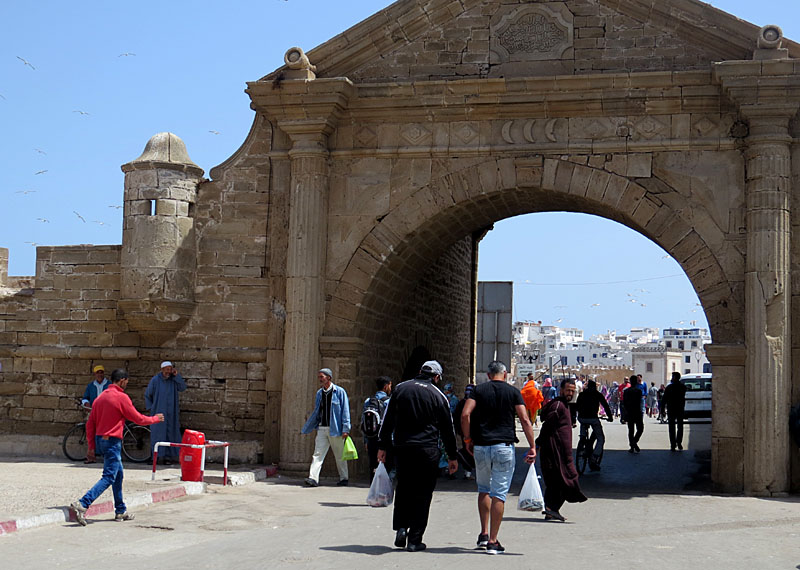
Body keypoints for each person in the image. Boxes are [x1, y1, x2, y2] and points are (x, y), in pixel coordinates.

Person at [377, 360, 458, 552]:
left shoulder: (401, 389)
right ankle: (415, 539)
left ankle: (401, 528)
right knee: (423, 493)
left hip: (403, 447)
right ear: (436, 377)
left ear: (420, 371)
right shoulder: (439, 396)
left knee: (403, 488)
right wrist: (453, 456)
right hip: (427, 450)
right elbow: (448, 429)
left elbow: (387, 420)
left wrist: (383, 446)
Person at [70, 369, 164, 526]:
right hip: (113, 441)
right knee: (109, 477)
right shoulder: (121, 397)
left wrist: (91, 447)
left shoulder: (99, 399)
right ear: (122, 381)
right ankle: (83, 503)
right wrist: (155, 419)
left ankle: (120, 510)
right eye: (126, 381)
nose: (127, 384)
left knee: (118, 475)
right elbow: (138, 418)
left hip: (101, 440)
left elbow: (90, 425)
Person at [461, 361, 536, 555]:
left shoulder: (478, 391)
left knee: (484, 488)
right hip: (503, 446)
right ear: (505, 374)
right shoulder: (513, 392)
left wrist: (468, 438)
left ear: (488, 375)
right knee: (499, 493)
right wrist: (532, 446)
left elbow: (465, 414)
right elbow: (525, 420)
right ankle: (493, 541)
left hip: (481, 446)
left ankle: (484, 534)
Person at [536, 378, 586, 522]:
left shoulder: (564, 405)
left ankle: (552, 509)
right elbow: (547, 426)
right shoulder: (558, 405)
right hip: (554, 451)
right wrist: (538, 444)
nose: (570, 393)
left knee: (562, 479)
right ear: (561, 390)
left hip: (562, 451)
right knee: (560, 479)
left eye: (572, 391)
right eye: (568, 390)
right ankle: (551, 508)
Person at [301, 368, 351, 487]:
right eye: (319, 377)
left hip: (336, 429)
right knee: (317, 454)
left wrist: (346, 428)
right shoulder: (319, 393)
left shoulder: (339, 392)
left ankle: (344, 478)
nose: (320, 379)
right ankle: (313, 478)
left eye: (321, 377)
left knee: (339, 455)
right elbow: (318, 411)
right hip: (322, 428)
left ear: (328, 377)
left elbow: (345, 410)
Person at [145, 361, 187, 465]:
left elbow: (183, 387)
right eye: (167, 369)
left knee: (170, 433)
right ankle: (154, 457)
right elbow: (148, 395)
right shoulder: (155, 380)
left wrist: (177, 376)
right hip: (158, 411)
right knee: (157, 434)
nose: (168, 372)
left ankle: (168, 457)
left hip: (171, 412)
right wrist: (151, 408)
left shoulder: (173, 380)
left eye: (170, 369)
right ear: (162, 370)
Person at [575, 379, 614, 470]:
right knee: (600, 438)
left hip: (582, 418)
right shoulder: (597, 394)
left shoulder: (582, 394)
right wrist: (610, 417)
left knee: (583, 432)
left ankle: (582, 441)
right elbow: (605, 405)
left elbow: (577, 406)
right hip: (593, 419)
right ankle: (594, 457)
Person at [362, 376, 392, 479]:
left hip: (371, 438)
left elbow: (364, 421)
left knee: (373, 465)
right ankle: (384, 491)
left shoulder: (368, 401)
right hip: (385, 439)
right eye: (390, 385)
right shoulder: (389, 401)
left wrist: (366, 440)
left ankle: (373, 489)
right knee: (387, 466)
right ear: (386, 386)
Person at [662, 372, 687, 451]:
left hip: (671, 409)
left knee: (672, 427)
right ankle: (679, 443)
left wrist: (662, 409)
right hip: (680, 408)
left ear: (675, 378)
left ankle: (673, 444)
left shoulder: (669, 388)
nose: (671, 378)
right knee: (680, 426)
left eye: (673, 377)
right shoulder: (683, 387)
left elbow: (664, 399)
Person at [622, 375, 644, 453]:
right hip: (637, 411)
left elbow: (624, 403)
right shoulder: (639, 391)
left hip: (629, 412)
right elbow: (640, 402)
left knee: (631, 430)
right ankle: (634, 442)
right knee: (640, 429)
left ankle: (632, 445)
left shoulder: (626, 391)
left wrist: (625, 413)